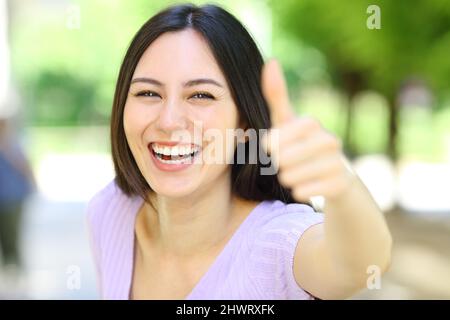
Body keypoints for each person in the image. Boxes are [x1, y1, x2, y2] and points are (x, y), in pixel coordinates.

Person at [86, 3, 392, 300]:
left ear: (243, 119)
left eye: (201, 95)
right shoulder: (110, 212)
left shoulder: (276, 244)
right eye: (148, 93)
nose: (168, 121)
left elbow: (360, 267)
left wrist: (340, 184)